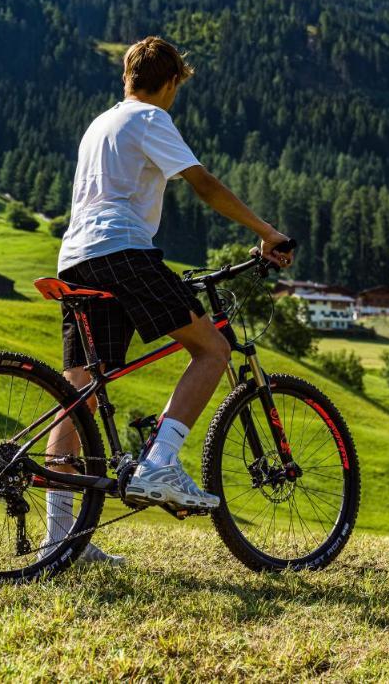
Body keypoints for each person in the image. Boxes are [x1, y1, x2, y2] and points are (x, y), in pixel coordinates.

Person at [42, 36, 294, 564]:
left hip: (76, 256)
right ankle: (159, 463)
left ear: (126, 77)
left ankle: (61, 540)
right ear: (172, 80)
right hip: (122, 251)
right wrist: (266, 233)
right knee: (213, 350)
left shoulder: (99, 125)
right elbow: (203, 184)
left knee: (80, 393)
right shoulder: (150, 119)